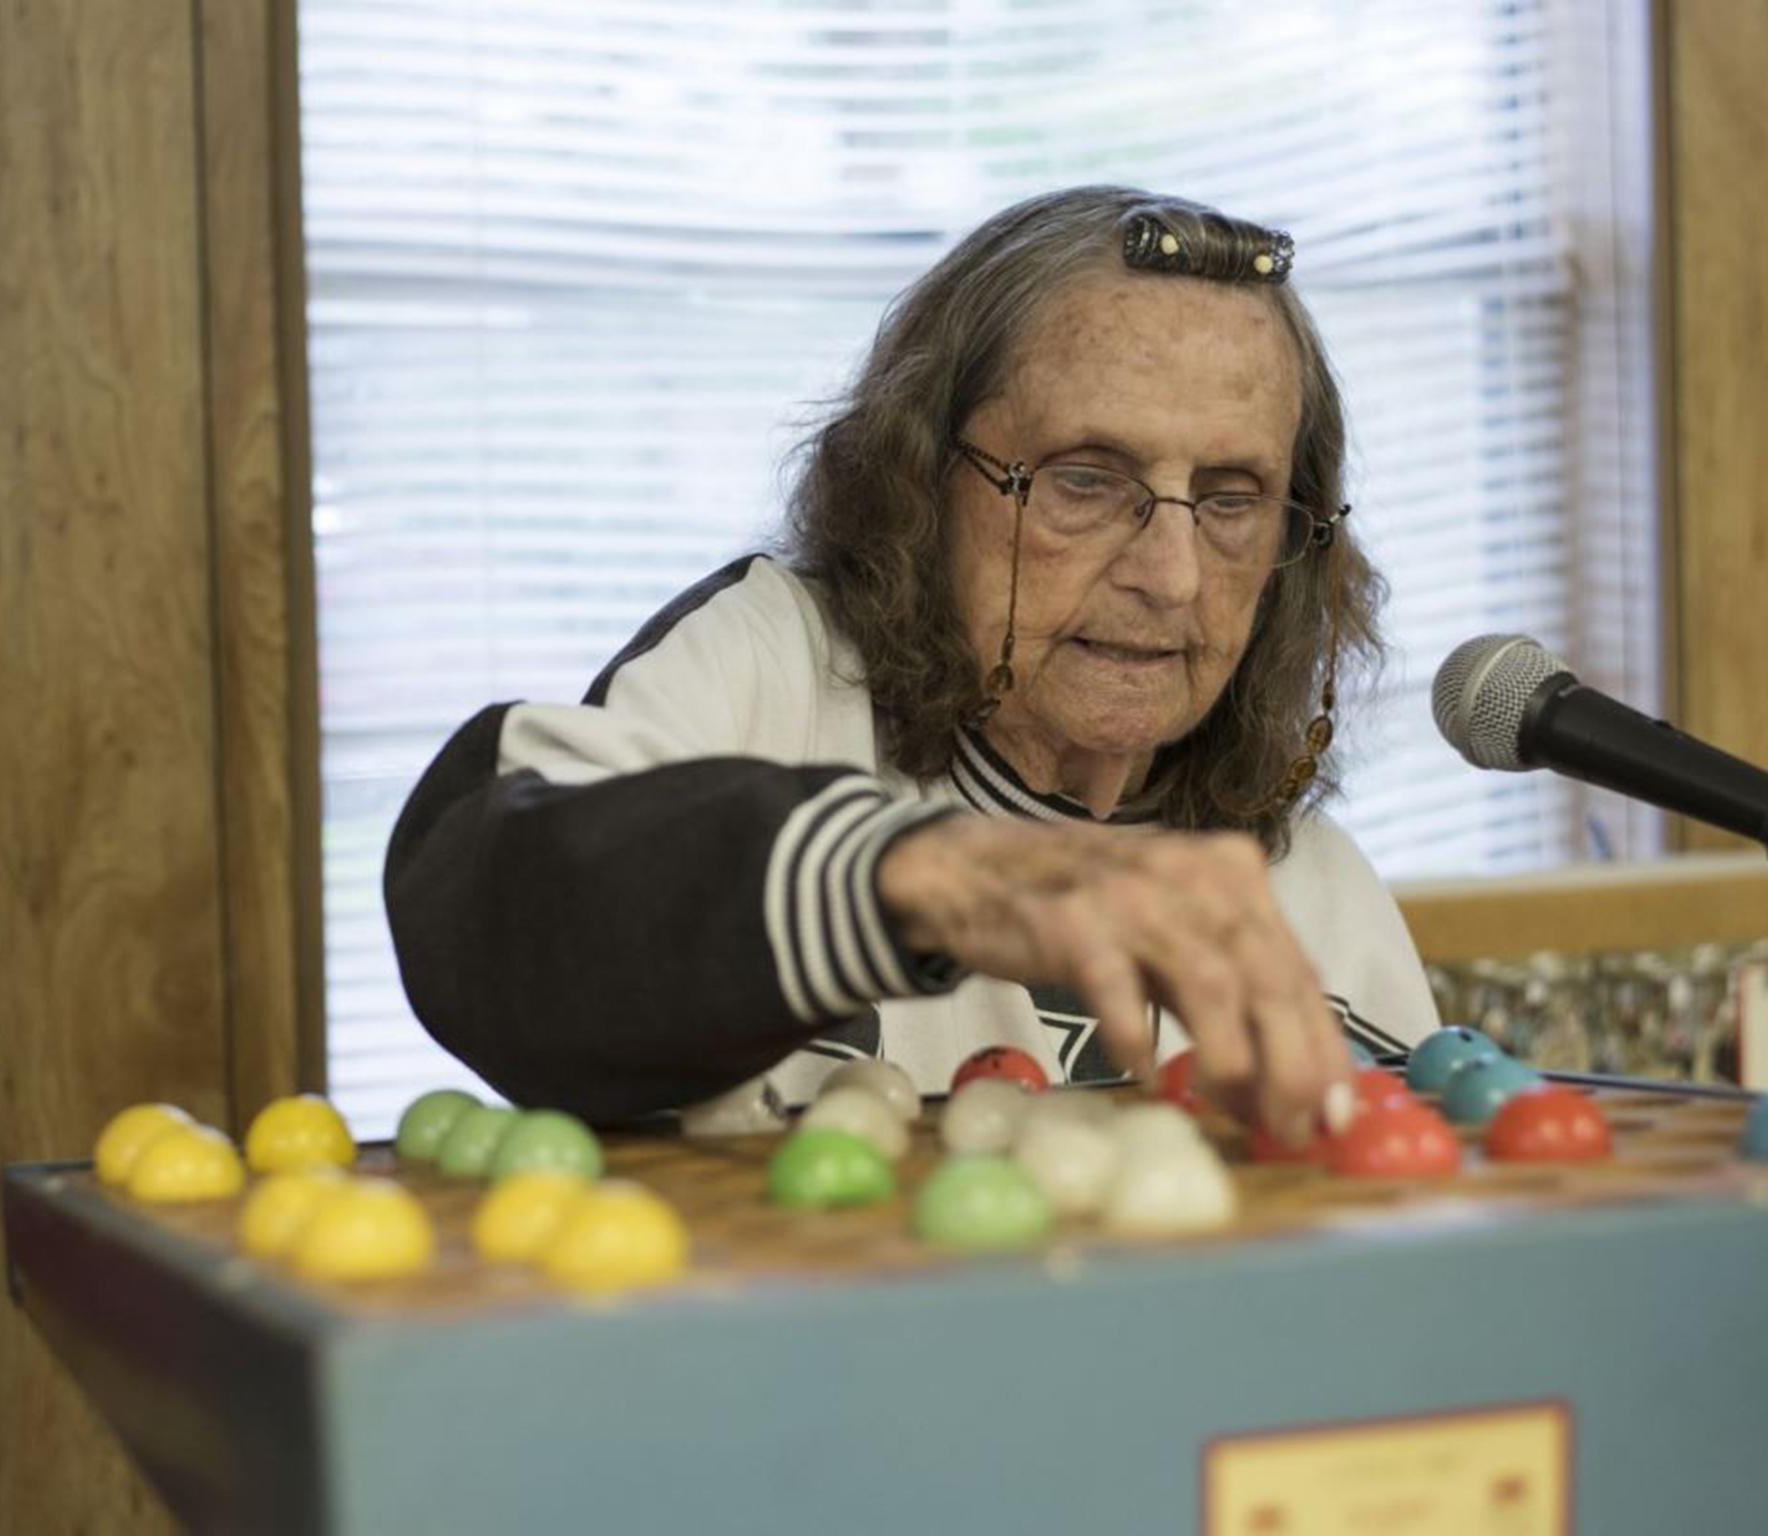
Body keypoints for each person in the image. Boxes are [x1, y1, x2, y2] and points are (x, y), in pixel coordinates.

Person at [383, 186, 1439, 1149]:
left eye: (1227, 499)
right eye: (1081, 480)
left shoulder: (1309, 891)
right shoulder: (775, 669)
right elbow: (484, 899)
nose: (1169, 575)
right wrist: (929, 878)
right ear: (916, 479)